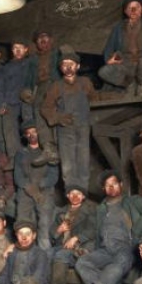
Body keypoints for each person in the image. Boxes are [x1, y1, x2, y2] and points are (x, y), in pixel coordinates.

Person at [77, 170, 142, 284]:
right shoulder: (101, 208)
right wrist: (84, 244)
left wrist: (136, 230)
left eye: (114, 183)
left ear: (121, 184)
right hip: (105, 249)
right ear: (103, 189)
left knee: (119, 264)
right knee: (82, 263)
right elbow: (94, 230)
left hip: (126, 248)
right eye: (107, 185)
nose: (111, 187)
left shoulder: (132, 201)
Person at [40, 50, 98, 192]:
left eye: (71, 64)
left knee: (83, 162)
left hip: (83, 127)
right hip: (65, 129)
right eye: (64, 65)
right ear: (61, 68)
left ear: (77, 66)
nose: (68, 68)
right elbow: (46, 108)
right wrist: (58, 118)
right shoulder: (56, 86)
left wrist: (91, 117)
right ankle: (71, 194)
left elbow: (95, 100)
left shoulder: (85, 83)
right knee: (68, 165)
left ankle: (82, 193)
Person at [47, 185, 98, 284]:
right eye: (72, 194)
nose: (75, 196)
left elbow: (94, 230)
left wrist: (76, 238)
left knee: (61, 255)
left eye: (78, 194)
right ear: (67, 196)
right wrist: (59, 230)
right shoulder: (61, 212)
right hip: (62, 245)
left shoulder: (91, 210)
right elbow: (52, 236)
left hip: (81, 247)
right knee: (47, 254)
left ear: (83, 196)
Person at [13, 120, 59, 250]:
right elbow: (18, 176)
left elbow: (53, 175)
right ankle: (26, 257)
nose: (32, 135)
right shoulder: (21, 153)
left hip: (44, 192)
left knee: (44, 227)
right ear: (25, 136)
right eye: (28, 133)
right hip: (25, 192)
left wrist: (40, 186)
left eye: (34, 132)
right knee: (24, 226)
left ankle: (46, 259)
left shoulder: (49, 151)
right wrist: (28, 187)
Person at [22, 29, 61, 165]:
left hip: (57, 85)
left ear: (51, 40)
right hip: (41, 86)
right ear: (36, 43)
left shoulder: (58, 53)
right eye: (40, 39)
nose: (43, 41)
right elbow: (27, 79)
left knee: (55, 110)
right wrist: (26, 90)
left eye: (46, 38)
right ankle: (48, 148)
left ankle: (58, 146)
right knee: (38, 110)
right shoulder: (32, 59)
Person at [0, 37, 33, 159]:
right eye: (15, 48)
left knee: (31, 128)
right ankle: (15, 159)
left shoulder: (31, 64)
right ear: (12, 50)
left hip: (27, 101)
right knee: (9, 132)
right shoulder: (6, 68)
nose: (17, 51)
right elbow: (0, 88)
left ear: (26, 49)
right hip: (10, 102)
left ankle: (34, 154)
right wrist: (1, 104)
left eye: (20, 48)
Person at [0, 220, 50, 284]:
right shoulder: (12, 253)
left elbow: (38, 279)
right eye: (20, 234)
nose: (24, 237)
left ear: (34, 236)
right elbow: (5, 274)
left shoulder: (40, 254)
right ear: (16, 235)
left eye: (28, 234)